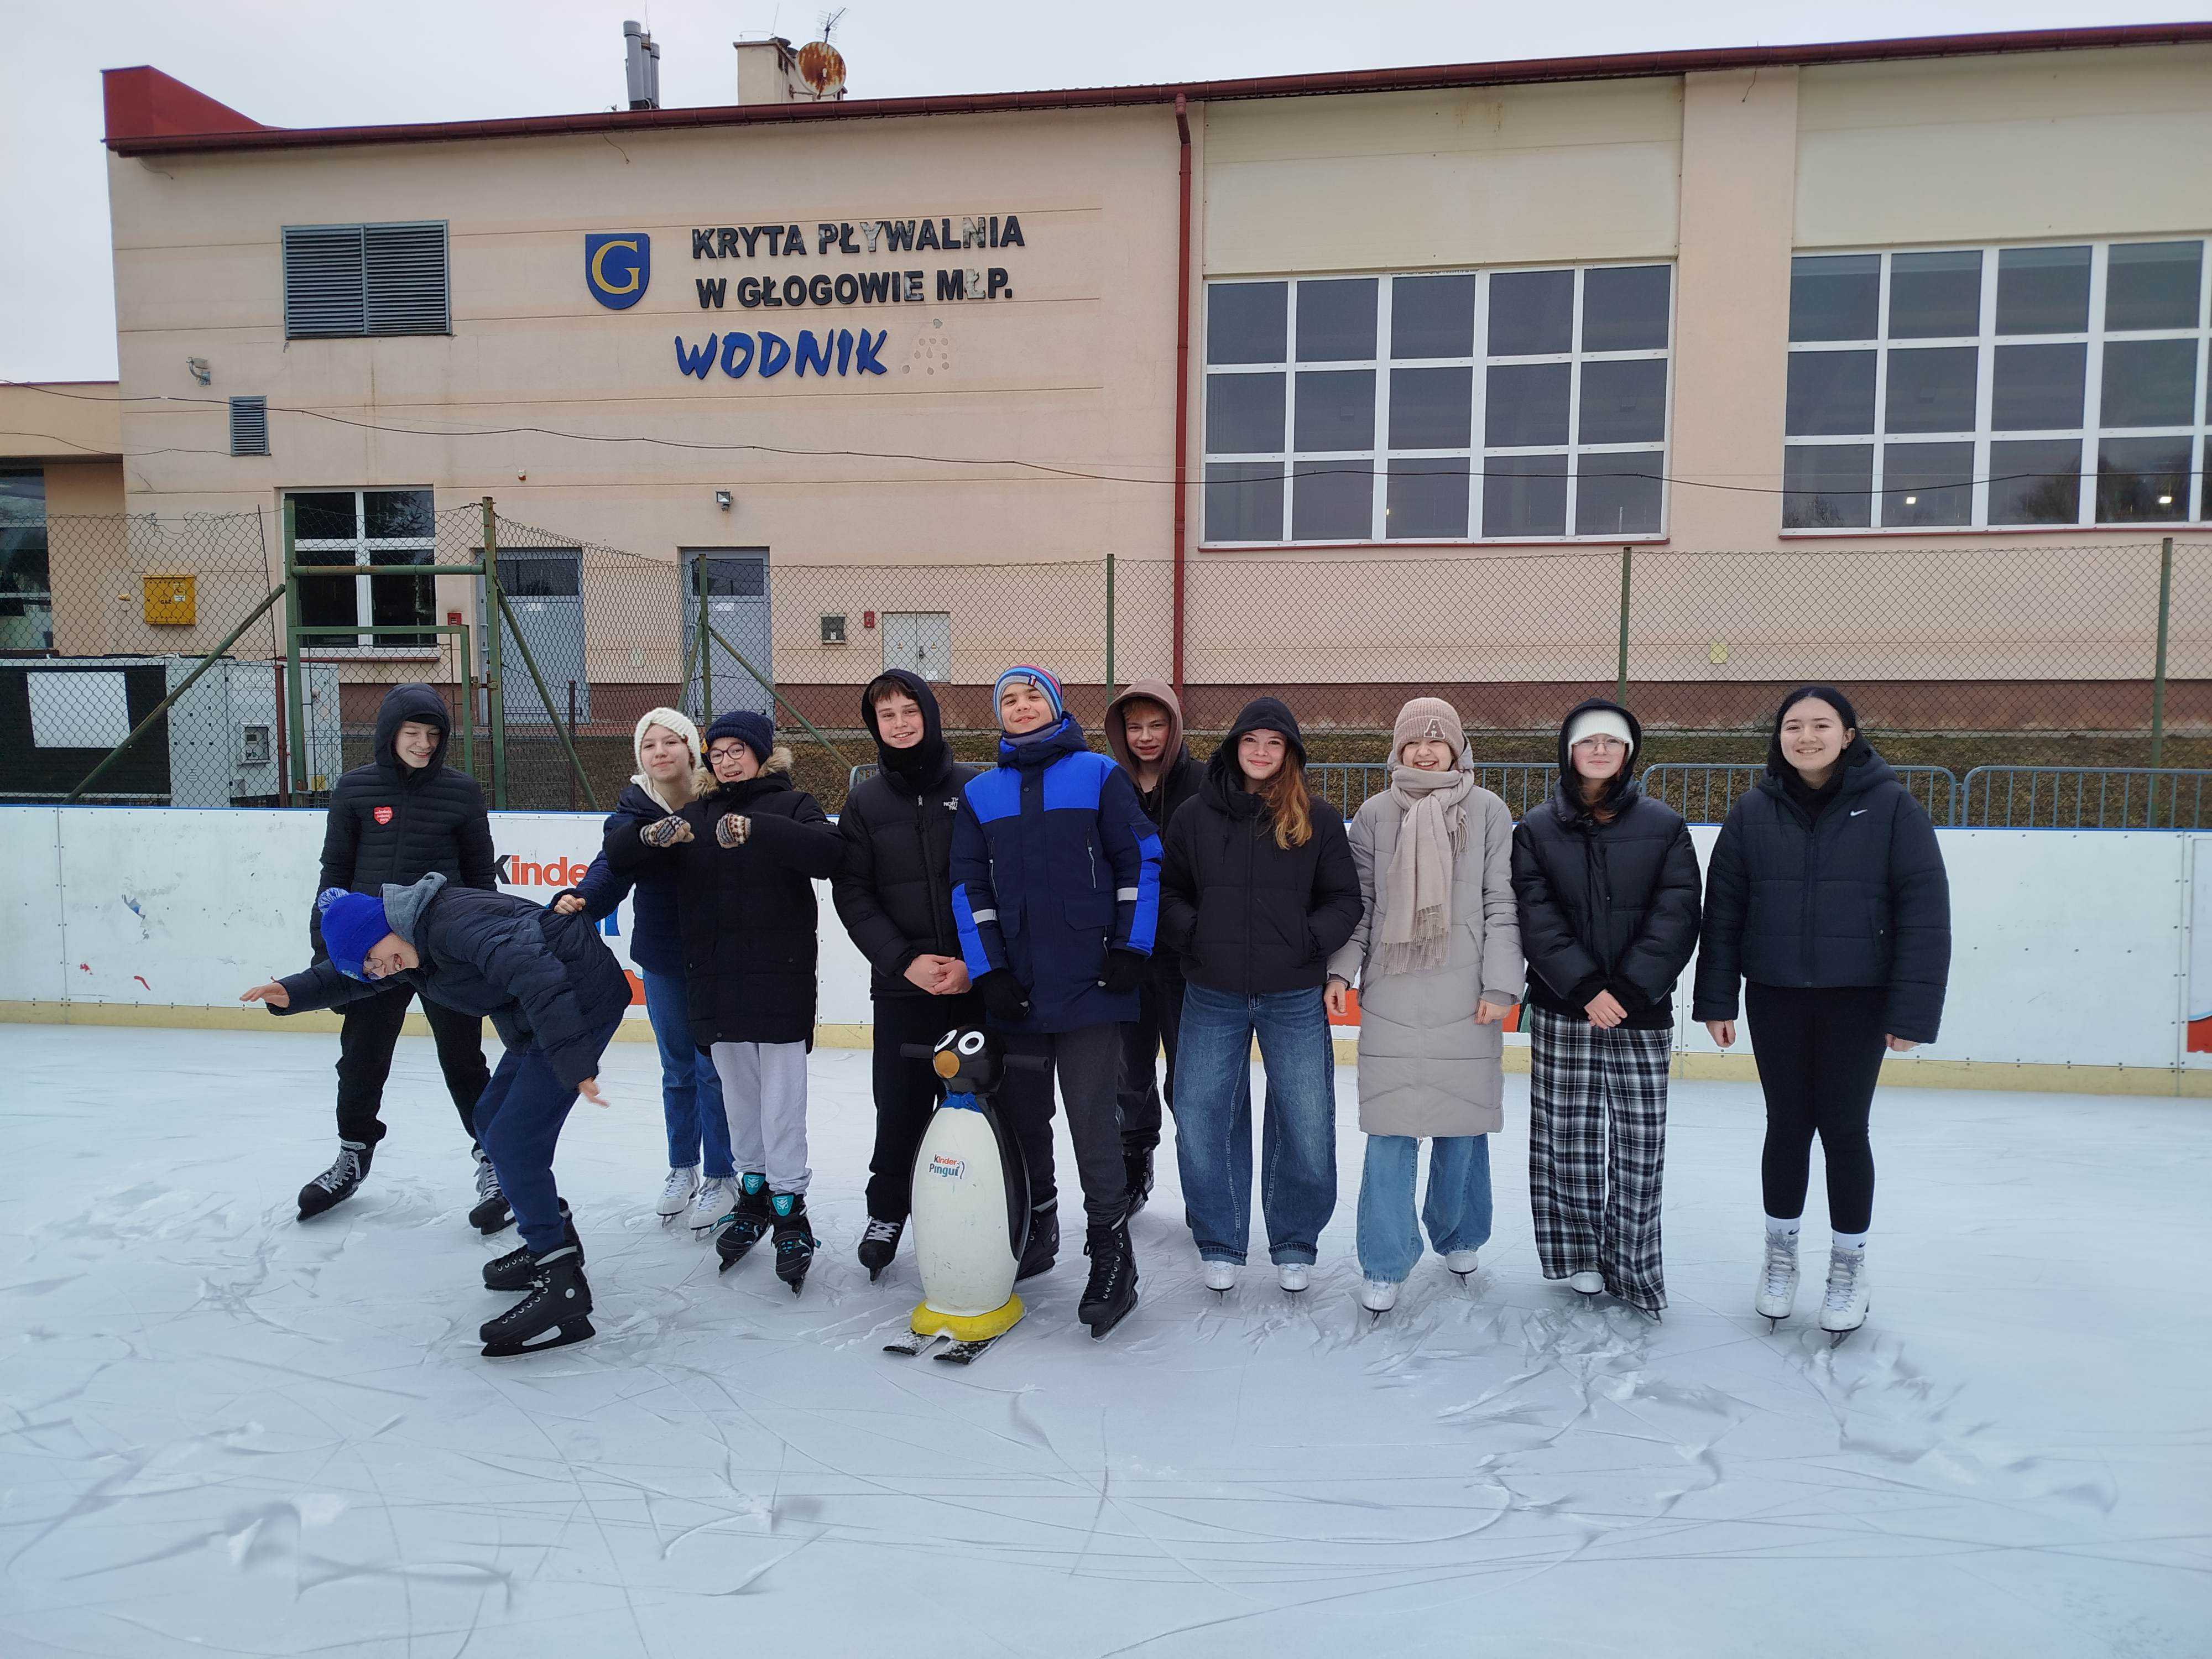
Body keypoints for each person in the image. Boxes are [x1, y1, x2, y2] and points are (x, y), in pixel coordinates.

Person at [241, 871, 630, 1357]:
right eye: (370, 970)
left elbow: (537, 974)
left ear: (379, 932)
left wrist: (574, 1064)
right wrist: (293, 992)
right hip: (543, 1012)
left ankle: (562, 1287)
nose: (378, 972)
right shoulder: (406, 941)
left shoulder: (454, 925)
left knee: (514, 1141)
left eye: (373, 961)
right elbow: (350, 975)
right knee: (490, 1118)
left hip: (576, 1001)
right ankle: (552, 1239)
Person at [1693, 686, 1950, 1339]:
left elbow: (1924, 912)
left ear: (1847, 734)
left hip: (1857, 998)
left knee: (1842, 1129)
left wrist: (1911, 1013)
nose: (1805, 737)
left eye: (1820, 725)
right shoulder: (1753, 811)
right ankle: (1779, 1257)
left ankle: (1847, 1266)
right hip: (1775, 994)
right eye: (1793, 726)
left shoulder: (1891, 807)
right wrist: (1717, 998)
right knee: (1786, 1125)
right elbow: (1724, 911)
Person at [950, 665, 1162, 1338]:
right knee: (1023, 1119)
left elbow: (1141, 861)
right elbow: (967, 888)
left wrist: (1131, 947)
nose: (1020, 706)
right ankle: (1036, 1229)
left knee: (1093, 1120)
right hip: (1016, 988)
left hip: (1092, 983)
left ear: (1056, 705)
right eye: (1008, 698)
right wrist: (989, 972)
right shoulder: (980, 793)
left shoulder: (1098, 775)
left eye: (1032, 695)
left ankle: (1111, 1252)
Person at [606, 709, 843, 1292]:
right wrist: (649, 837)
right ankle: (753, 1193)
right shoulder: (697, 815)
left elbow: (833, 854)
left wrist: (760, 829)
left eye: (739, 750)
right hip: (716, 981)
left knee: (781, 1100)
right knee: (738, 1098)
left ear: (762, 754)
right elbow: (618, 854)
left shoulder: (793, 804)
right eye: (719, 752)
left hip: (779, 979)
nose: (728, 761)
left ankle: (790, 1205)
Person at [1159, 697, 1361, 1293]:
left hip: (1293, 994)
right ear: (1234, 747)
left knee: (1306, 1120)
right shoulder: (1194, 816)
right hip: (1212, 992)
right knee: (1202, 1117)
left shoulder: (1316, 818)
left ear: (1289, 753)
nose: (1261, 752)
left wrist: (1307, 941)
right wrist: (1194, 934)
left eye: (1274, 743)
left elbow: (1344, 899)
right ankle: (1220, 1240)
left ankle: (1294, 1240)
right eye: (1251, 741)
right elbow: (1167, 892)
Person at [1326, 698, 1522, 1314]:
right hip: (1394, 987)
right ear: (1398, 749)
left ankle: (1459, 1233)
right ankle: (1384, 1261)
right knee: (1390, 1128)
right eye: (1414, 741)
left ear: (1457, 748)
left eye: (1438, 741)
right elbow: (1360, 904)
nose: (1426, 751)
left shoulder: (1487, 810)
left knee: (1462, 1122)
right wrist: (1341, 970)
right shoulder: (1374, 814)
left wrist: (1499, 984)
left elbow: (1501, 903)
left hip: (1466, 991)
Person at [1511, 699, 1701, 1317]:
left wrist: (1627, 990)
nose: (1599, 750)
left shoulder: (1665, 826)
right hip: (1566, 1007)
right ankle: (1581, 1256)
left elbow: (1676, 915)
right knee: (1567, 1138)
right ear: (1568, 751)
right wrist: (1585, 987)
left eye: (1611, 742)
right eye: (1587, 741)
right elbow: (1536, 918)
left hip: (1639, 1010)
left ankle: (1633, 1265)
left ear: (1628, 753)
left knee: (1639, 1145)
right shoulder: (1535, 829)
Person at [299, 683, 497, 1229]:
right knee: (361, 1058)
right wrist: (325, 951)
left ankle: (496, 1160)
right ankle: (352, 1153)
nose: (423, 744)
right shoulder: (355, 790)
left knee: (464, 1060)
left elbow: (481, 879)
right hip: (373, 950)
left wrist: (481, 949)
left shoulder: (461, 792)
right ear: (391, 733)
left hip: (442, 950)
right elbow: (334, 873)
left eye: (433, 734)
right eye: (413, 733)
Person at [554, 709, 735, 1235]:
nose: (660, 752)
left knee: (713, 1069)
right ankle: (683, 1166)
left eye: (670, 742)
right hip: (663, 956)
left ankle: (722, 1175)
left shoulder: (719, 799)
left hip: (720, 956)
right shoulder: (633, 810)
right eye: (649, 744)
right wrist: (583, 898)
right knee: (678, 1068)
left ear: (691, 750)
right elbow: (611, 867)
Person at [832, 670, 984, 1280]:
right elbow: (854, 894)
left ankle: (986, 1208)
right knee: (898, 1106)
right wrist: (904, 961)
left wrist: (976, 962)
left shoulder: (974, 790)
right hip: (903, 987)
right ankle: (888, 1211)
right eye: (886, 714)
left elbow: (1000, 882)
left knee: (980, 1107)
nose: (899, 723)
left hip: (976, 984)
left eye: (909, 709)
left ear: (930, 713)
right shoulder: (865, 803)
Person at [1104, 679, 1206, 1215]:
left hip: (1186, 957)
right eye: (1134, 726)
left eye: (1157, 724)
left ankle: (1202, 1181)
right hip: (1125, 955)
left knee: (1190, 1080)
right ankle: (1133, 1161)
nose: (1145, 736)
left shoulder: (1205, 784)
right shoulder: (1107, 785)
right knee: (1129, 1073)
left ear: (1174, 726)